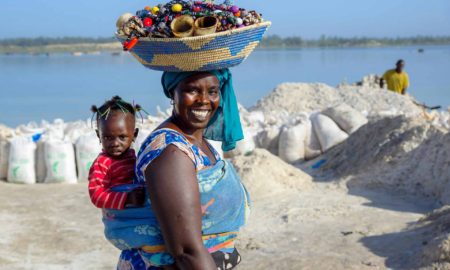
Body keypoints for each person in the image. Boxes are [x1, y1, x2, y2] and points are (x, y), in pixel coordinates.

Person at [114, 69, 250, 270]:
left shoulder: (196, 141)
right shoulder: (171, 153)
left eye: (212, 91)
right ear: (172, 94)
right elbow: (187, 251)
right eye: (192, 91)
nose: (203, 100)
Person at [88, 96, 144, 210]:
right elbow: (96, 195)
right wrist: (127, 199)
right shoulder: (102, 164)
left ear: (134, 134)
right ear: (99, 135)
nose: (115, 143)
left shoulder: (133, 158)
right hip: (118, 221)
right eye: (108, 137)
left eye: (122, 137)